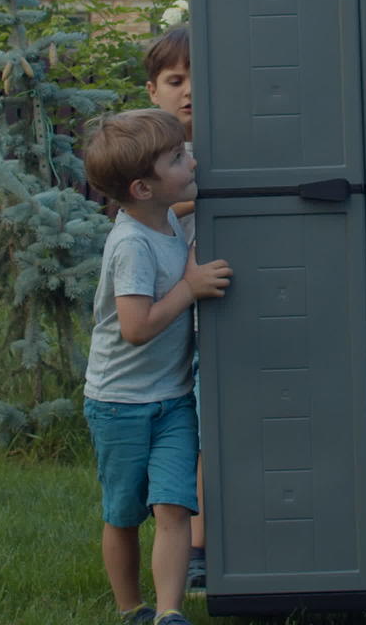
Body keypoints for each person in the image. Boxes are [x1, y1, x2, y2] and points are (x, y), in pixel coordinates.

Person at [82, 108, 233, 625]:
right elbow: (136, 326)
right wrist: (188, 288)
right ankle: (131, 610)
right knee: (124, 515)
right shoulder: (130, 245)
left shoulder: (162, 215)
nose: (190, 159)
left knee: (175, 506)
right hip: (119, 404)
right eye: (176, 158)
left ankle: (169, 613)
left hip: (170, 400)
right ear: (143, 188)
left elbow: (188, 201)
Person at [140, 25, 208, 589]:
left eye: (198, 79)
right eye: (175, 80)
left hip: (212, 303)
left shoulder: (228, 144)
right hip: (166, 311)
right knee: (181, 424)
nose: (188, 91)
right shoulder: (153, 157)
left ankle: (202, 545)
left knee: (209, 419)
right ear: (153, 91)